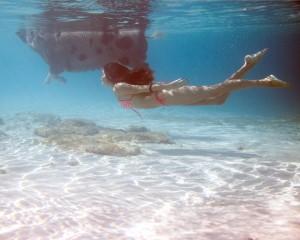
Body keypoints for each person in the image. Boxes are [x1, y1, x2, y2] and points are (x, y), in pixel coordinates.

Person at [101, 49, 291, 112]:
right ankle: (247, 64)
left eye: (102, 74)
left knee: (219, 89)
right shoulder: (118, 88)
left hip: (168, 96)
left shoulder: (119, 87)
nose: (101, 77)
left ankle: (265, 81)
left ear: (111, 76)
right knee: (218, 98)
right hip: (168, 100)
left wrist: (170, 86)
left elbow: (146, 87)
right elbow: (145, 90)